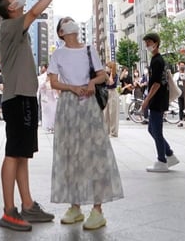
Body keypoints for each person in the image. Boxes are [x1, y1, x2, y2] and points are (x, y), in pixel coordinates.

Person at [0, 0, 73, 232]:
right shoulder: (10, 25)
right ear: (10, 8)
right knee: (14, 153)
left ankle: (27, 205)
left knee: (22, 154)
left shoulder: (15, 27)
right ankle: (8, 211)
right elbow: (36, 11)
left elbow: (33, 13)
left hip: (24, 97)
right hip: (17, 98)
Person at [47, 17, 124, 231]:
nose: (71, 23)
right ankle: (75, 206)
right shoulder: (58, 53)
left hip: (89, 105)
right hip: (68, 106)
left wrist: (91, 82)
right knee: (70, 154)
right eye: (67, 22)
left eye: (73, 20)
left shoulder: (89, 50)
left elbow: (102, 76)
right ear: (61, 32)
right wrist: (71, 88)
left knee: (95, 153)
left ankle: (97, 210)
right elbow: (53, 82)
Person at [142, 32, 179, 172]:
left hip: (157, 99)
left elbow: (156, 84)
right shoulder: (156, 59)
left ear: (156, 43)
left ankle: (162, 160)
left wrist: (146, 100)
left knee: (156, 130)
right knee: (152, 129)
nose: (147, 45)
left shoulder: (157, 60)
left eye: (149, 42)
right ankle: (169, 154)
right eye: (146, 43)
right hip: (159, 98)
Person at [37, 64, 57, 132]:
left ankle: (53, 126)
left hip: (53, 96)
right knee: (47, 113)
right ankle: (48, 127)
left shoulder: (54, 75)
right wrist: (45, 81)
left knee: (53, 112)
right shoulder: (41, 77)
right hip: (46, 96)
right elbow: (39, 87)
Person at [103, 60, 120, 137]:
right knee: (105, 113)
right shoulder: (105, 74)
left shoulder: (115, 75)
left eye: (108, 67)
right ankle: (106, 131)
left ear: (111, 68)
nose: (106, 68)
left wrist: (110, 74)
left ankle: (113, 132)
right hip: (106, 93)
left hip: (113, 93)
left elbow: (111, 82)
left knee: (113, 113)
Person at [174, 60, 185, 126]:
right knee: (181, 107)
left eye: (183, 65)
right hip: (179, 93)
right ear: (178, 66)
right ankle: (181, 120)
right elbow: (174, 83)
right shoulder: (176, 75)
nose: (182, 66)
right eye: (181, 65)